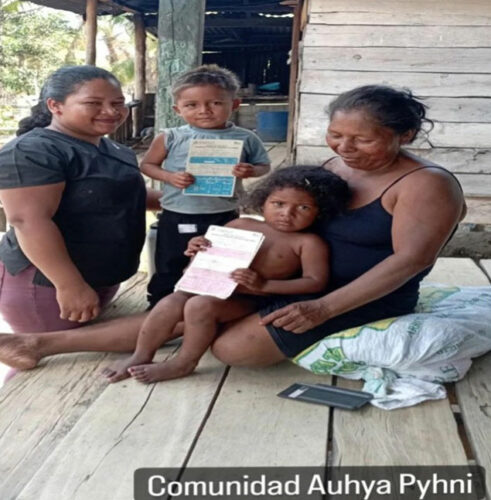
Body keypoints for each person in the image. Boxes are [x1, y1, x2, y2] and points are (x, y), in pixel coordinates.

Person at [0, 85, 465, 375]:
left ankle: (50, 343)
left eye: (362, 139)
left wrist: (322, 308)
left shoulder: (426, 185)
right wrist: (222, 247)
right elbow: (286, 221)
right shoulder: (333, 165)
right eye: (337, 135)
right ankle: (37, 344)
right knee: (186, 306)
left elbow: (412, 261)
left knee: (233, 350)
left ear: (403, 136)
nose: (345, 148)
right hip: (281, 281)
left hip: (351, 294)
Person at [102, 166, 350, 383]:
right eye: (279, 204)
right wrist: (196, 249)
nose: (287, 213)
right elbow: (209, 255)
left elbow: (315, 283)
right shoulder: (241, 225)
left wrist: (264, 284)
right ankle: (141, 354)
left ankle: (184, 362)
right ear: (262, 201)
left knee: (199, 306)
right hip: (212, 285)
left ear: (320, 212)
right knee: (171, 301)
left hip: (253, 299)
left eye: (303, 207)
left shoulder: (307, 243)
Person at [0, 65, 156, 336]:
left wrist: (188, 200)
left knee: (87, 364)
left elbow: (125, 196)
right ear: (55, 105)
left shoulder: (113, 148)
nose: (111, 111)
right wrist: (69, 286)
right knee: (46, 363)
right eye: (93, 103)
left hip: (100, 277)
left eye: (118, 103)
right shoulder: (34, 151)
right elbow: (29, 221)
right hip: (48, 283)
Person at [141, 64, 271, 306]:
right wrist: (170, 177)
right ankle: (160, 306)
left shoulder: (245, 138)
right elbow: (148, 165)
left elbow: (264, 166)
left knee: (220, 262)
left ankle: (209, 305)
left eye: (215, 103)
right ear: (177, 109)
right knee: (171, 262)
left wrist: (251, 170)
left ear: (234, 104)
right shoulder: (171, 137)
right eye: (192, 105)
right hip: (178, 215)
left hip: (224, 214)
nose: (204, 111)